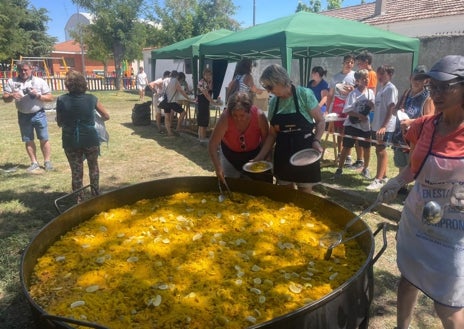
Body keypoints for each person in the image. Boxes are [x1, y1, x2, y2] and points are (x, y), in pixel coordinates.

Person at [376, 55, 464, 329]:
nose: (436, 94)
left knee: (447, 304)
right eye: (433, 86)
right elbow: (414, 166)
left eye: (445, 87)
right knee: (409, 279)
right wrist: (397, 181)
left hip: (454, 229)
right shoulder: (425, 125)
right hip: (417, 220)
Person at [253, 64, 325, 193]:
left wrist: (317, 141)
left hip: (304, 149)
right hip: (283, 150)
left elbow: (320, 121)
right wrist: (260, 157)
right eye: (266, 87)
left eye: (270, 87)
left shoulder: (304, 94)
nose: (268, 91)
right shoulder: (274, 102)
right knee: (285, 192)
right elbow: (272, 134)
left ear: (280, 81)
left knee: (305, 192)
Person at [56, 71, 110, 201]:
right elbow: (106, 116)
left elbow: (59, 122)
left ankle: (79, 199)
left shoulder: (61, 99)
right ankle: (95, 194)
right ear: (83, 84)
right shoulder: (92, 99)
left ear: (68, 84)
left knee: (76, 170)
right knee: (93, 166)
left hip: (70, 140)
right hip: (90, 138)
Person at [2, 61, 54, 172]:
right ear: (17, 70)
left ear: (31, 69)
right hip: (23, 115)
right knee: (28, 140)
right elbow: (5, 98)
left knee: (44, 138)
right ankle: (34, 162)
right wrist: (11, 95)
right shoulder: (12, 81)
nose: (23, 72)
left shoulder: (39, 81)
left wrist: (38, 95)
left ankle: (47, 161)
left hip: (39, 114)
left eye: (26, 69)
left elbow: (50, 97)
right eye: (20, 70)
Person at [208, 91, 271, 182]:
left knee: (261, 183)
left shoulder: (259, 116)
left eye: (242, 115)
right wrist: (218, 167)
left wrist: (266, 158)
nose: (238, 118)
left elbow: (266, 140)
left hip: (255, 154)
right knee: (230, 183)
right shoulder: (225, 118)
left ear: (249, 110)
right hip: (230, 154)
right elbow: (212, 144)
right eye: (235, 115)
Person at [392, 64, 435, 194]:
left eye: (421, 79)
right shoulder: (406, 93)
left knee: (415, 165)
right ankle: (402, 186)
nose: (417, 82)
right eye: (416, 78)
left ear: (426, 81)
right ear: (410, 78)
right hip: (401, 135)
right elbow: (395, 110)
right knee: (401, 162)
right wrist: (400, 112)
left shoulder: (428, 97)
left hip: (417, 138)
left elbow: (430, 118)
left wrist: (411, 121)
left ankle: (416, 190)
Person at [333, 69, 375, 180]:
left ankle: (365, 169)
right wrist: (358, 116)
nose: (366, 80)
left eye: (367, 78)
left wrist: (371, 106)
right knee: (346, 147)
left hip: (365, 126)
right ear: (357, 81)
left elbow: (374, 108)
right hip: (352, 125)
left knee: (367, 147)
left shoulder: (371, 93)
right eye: (363, 78)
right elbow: (347, 110)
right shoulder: (353, 94)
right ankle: (339, 169)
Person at [366, 64, 398, 191]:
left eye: (383, 73)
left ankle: (378, 179)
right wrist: (372, 105)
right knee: (378, 149)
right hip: (377, 124)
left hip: (385, 126)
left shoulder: (391, 88)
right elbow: (380, 107)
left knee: (381, 150)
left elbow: (391, 108)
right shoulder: (381, 89)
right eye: (378, 73)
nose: (379, 76)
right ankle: (383, 176)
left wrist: (384, 126)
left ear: (389, 75)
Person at [326, 54, 356, 165]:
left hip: (350, 106)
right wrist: (328, 109)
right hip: (338, 106)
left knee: (348, 131)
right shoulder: (335, 77)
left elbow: (358, 91)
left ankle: (348, 155)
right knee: (339, 131)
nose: (349, 64)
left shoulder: (355, 76)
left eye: (352, 62)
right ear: (343, 63)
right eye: (347, 62)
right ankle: (340, 153)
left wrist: (352, 90)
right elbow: (330, 94)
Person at [351, 50, 378, 169]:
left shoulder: (370, 74)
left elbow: (370, 90)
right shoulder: (369, 73)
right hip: (363, 108)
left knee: (362, 137)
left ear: (366, 62)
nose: (358, 65)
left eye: (359, 63)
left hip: (366, 110)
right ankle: (359, 160)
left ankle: (361, 161)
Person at [159, 70, 190, 137]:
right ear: (177, 76)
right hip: (171, 101)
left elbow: (162, 89)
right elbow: (181, 90)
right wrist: (188, 98)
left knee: (167, 117)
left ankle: (169, 132)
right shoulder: (175, 81)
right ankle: (178, 128)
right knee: (183, 113)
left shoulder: (165, 80)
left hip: (165, 101)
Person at [197, 68, 214, 142]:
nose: (208, 76)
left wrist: (210, 82)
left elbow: (209, 90)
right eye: (206, 75)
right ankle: (202, 139)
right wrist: (214, 102)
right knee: (203, 123)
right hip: (202, 104)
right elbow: (206, 95)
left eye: (209, 75)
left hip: (203, 104)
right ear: (203, 75)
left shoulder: (207, 82)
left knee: (202, 122)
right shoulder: (203, 82)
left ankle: (200, 138)